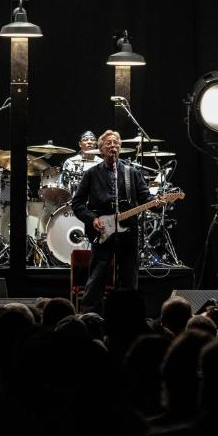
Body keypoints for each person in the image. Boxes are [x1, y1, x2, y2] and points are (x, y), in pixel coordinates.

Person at [71, 129, 160, 313]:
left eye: (116, 143)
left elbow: (144, 197)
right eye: (109, 143)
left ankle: (128, 316)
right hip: (102, 231)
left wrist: (156, 202)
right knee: (97, 277)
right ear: (101, 149)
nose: (113, 146)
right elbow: (77, 203)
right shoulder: (91, 174)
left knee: (129, 277)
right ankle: (89, 315)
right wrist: (92, 219)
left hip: (128, 231)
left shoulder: (131, 172)